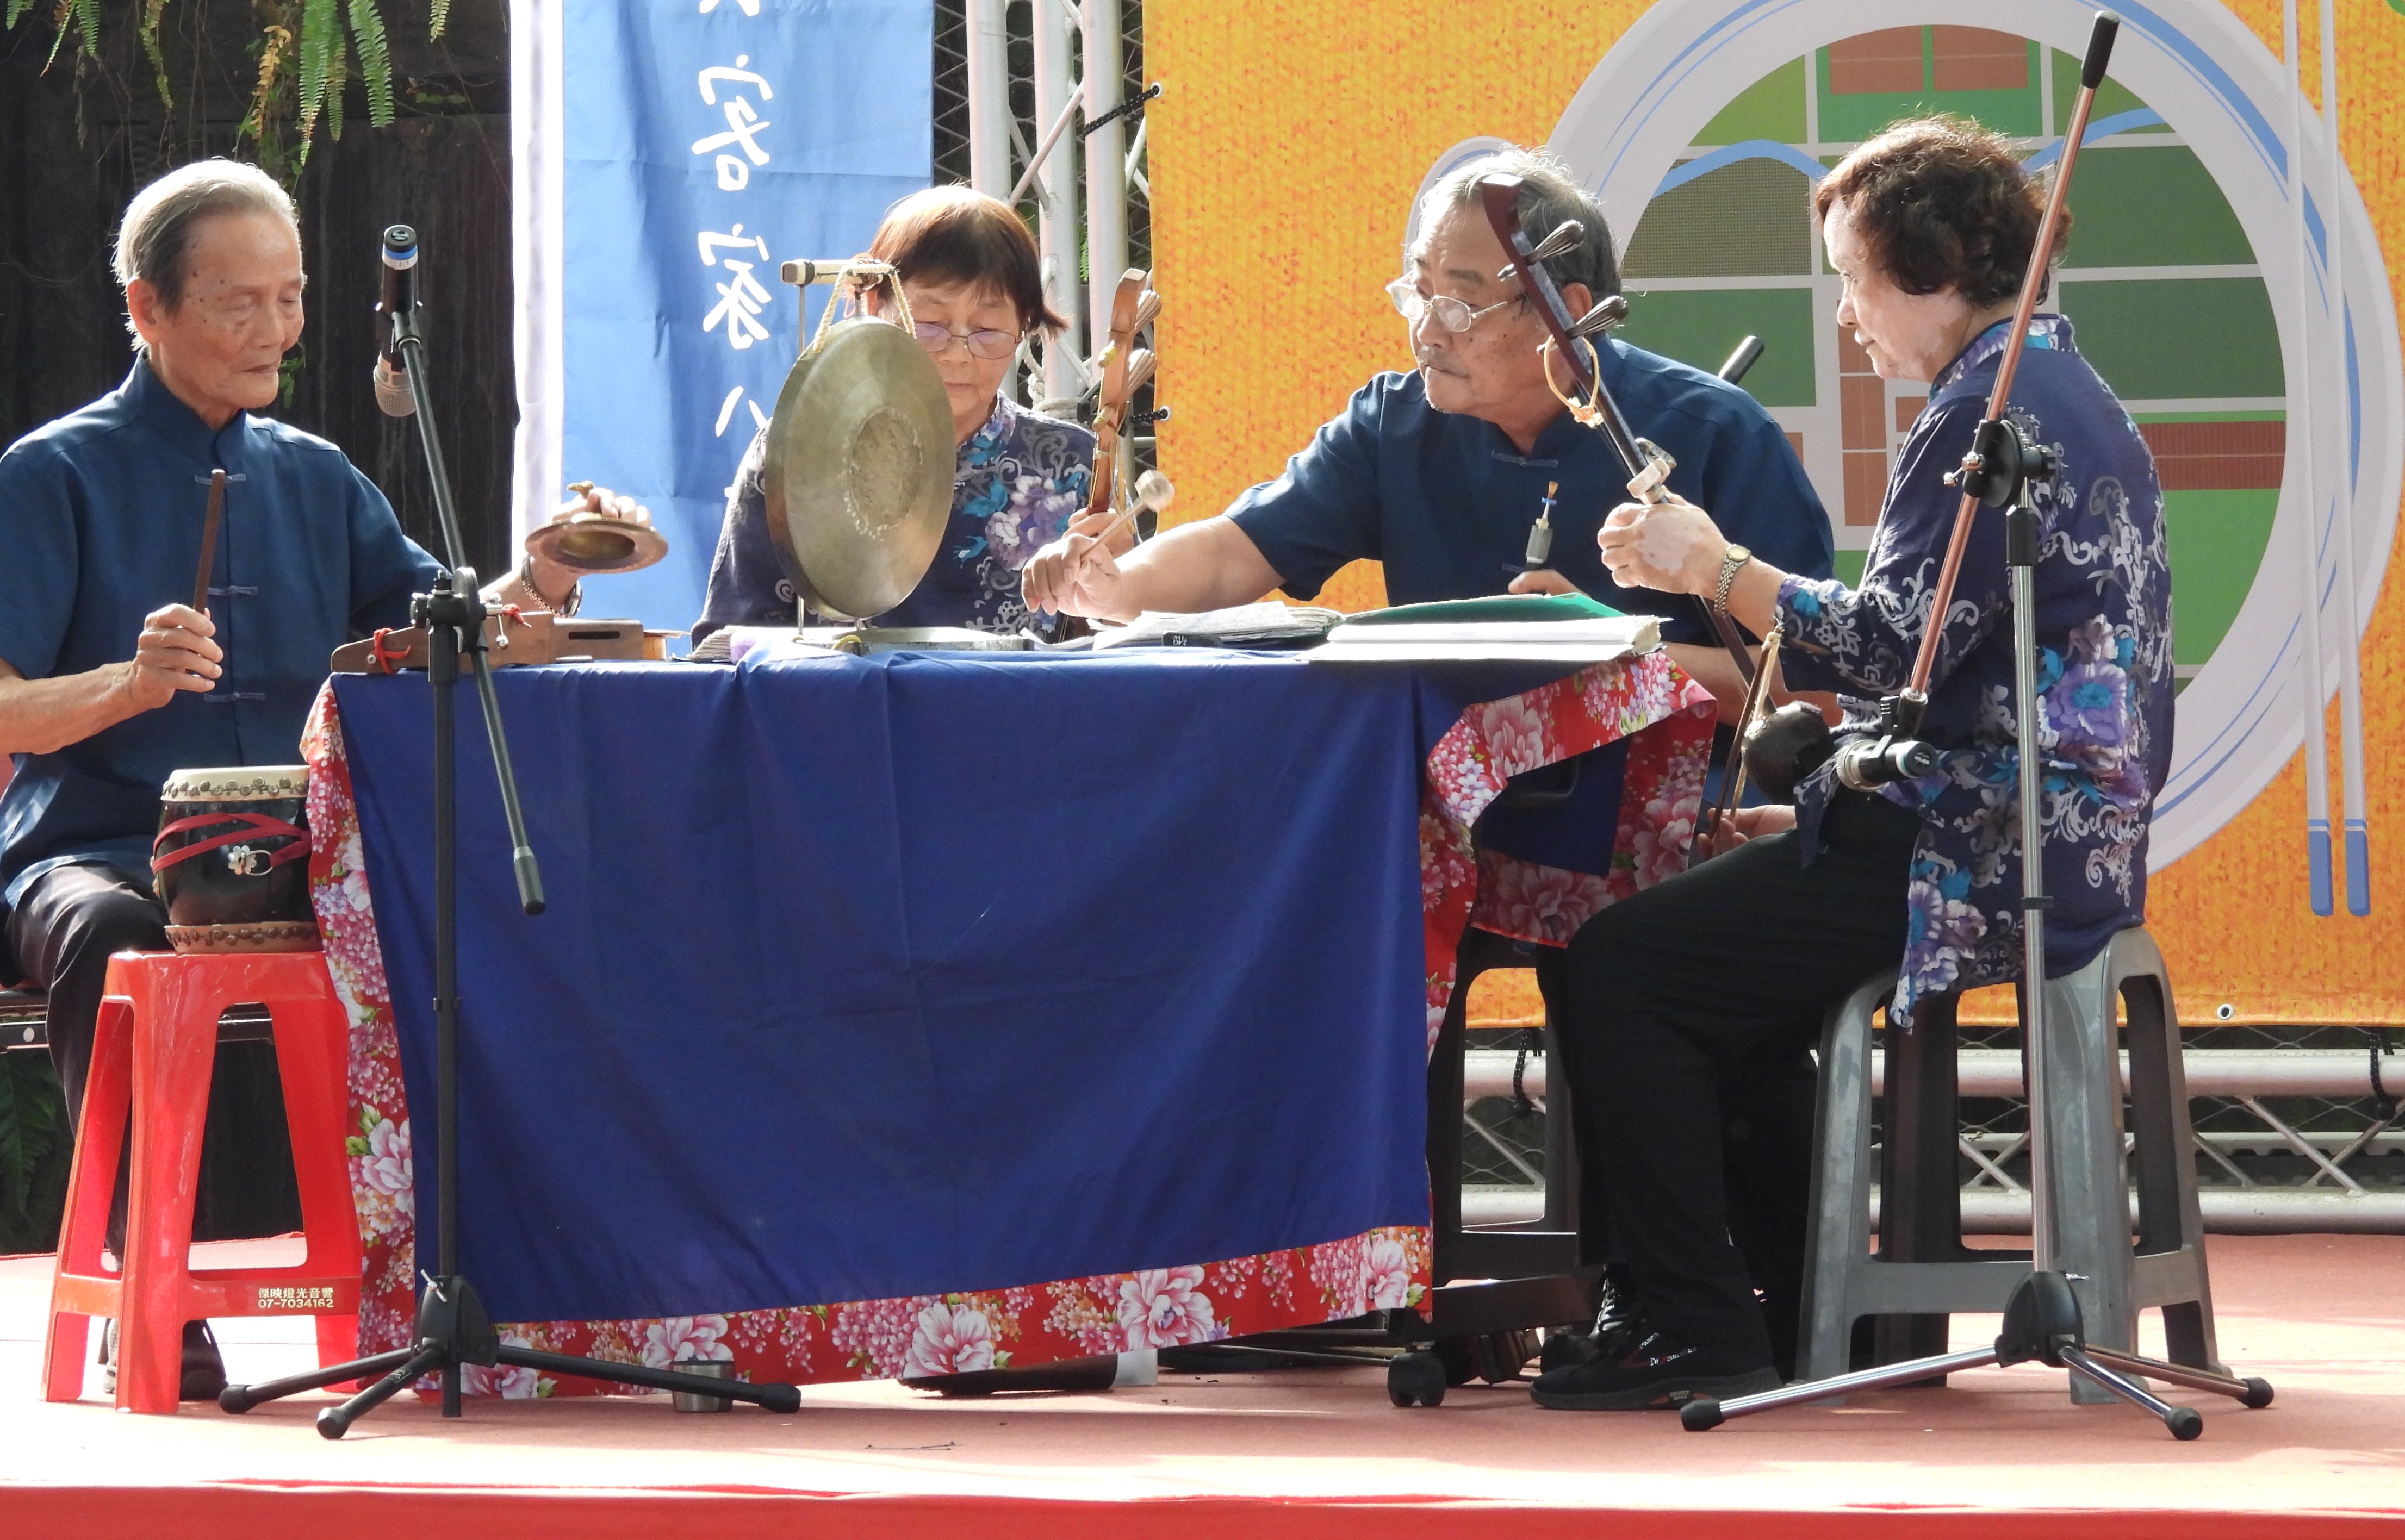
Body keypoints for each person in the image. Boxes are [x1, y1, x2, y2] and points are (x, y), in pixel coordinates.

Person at [0, 157, 645, 1395]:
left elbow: (433, 624)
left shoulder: (317, 472)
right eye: (235, 302)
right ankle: (157, 1287)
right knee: (116, 929)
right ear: (144, 308)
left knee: (489, 911)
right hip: (97, 842)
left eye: (292, 296)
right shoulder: (56, 469)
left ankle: (480, 1275)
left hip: (302, 843)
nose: (275, 328)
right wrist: (125, 682)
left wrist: (534, 585)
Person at [1526, 116, 2173, 1411]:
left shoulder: (1984, 412)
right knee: (1714, 969)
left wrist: (1710, 566)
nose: (1846, 321)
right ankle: (1789, 1297)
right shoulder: (2064, 386)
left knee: (1616, 963)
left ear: (1933, 271)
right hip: (2042, 822)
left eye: (1854, 281)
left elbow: (1890, 649)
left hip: (1980, 842)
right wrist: (1815, 805)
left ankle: (1695, 1326)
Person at [1021, 147, 1833, 716]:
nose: (1428, 332)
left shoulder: (1712, 435)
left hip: (1665, 808)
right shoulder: (1395, 424)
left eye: (1461, 302)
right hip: (1446, 796)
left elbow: (1816, 694)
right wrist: (1118, 587)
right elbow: (1238, 550)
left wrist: (1611, 649)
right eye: (1417, 294)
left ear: (1569, 314)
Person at [693, 185, 1095, 640]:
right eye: (930, 326)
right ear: (874, 305)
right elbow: (730, 642)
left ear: (1024, 326)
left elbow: (1123, 643)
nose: (958, 354)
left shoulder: (1071, 462)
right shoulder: (796, 448)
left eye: (987, 331)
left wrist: (1111, 590)